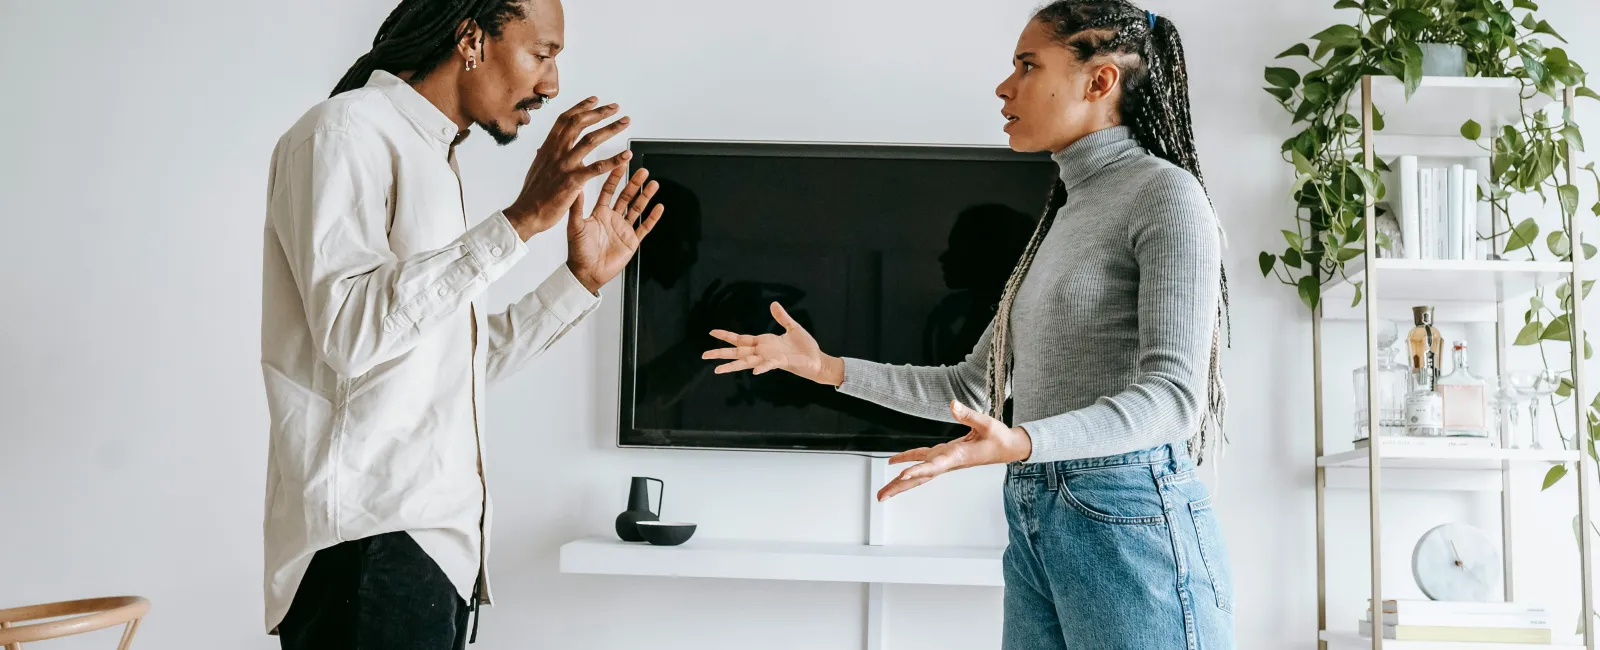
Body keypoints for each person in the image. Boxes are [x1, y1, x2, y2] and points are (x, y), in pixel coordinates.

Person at [702, 2, 1233, 648]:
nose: (1004, 86)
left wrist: (1024, 440)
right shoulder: (1063, 213)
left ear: (1100, 83)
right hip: (1038, 516)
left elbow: (1176, 401)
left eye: (1027, 66)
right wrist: (826, 369)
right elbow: (971, 386)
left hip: (1130, 519)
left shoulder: (1166, 196)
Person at [258, 0, 664, 648]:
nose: (551, 86)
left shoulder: (433, 162)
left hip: (430, 554)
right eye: (542, 53)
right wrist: (520, 222)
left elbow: (449, 361)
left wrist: (578, 282)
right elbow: (351, 334)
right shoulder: (345, 132)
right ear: (472, 39)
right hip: (368, 550)